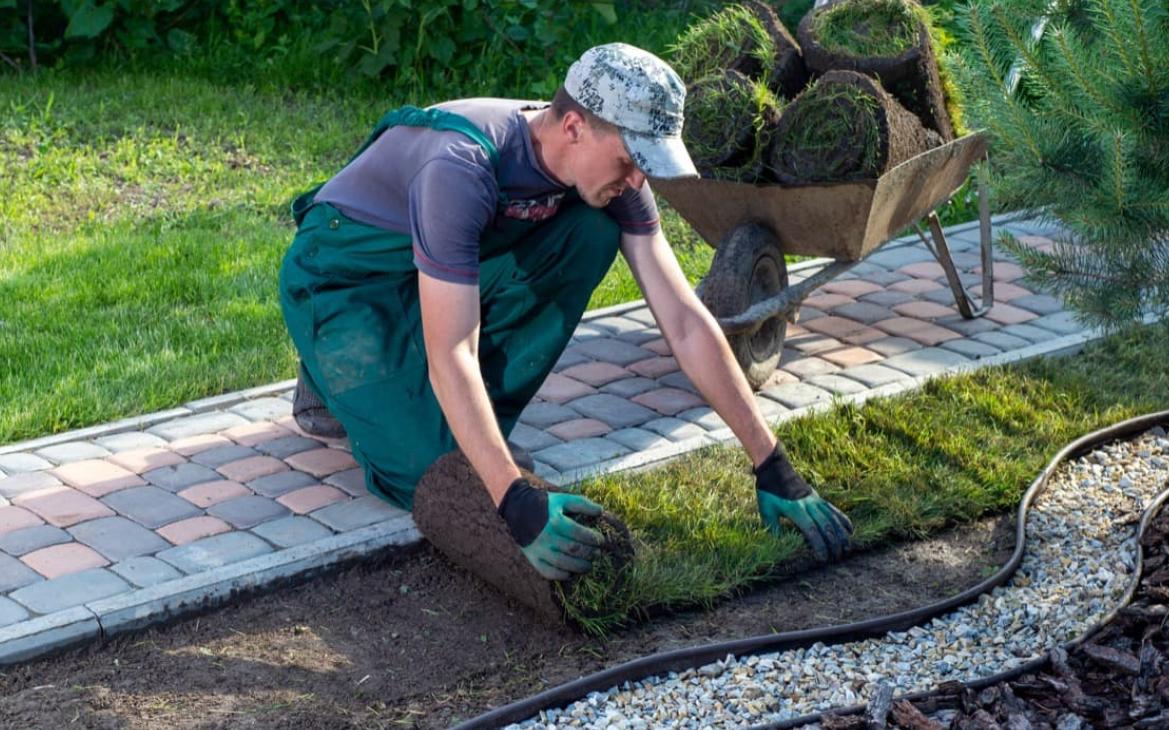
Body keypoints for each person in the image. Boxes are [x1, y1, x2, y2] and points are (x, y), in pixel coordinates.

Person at [279, 43, 853, 580]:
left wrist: (770, 460)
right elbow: (453, 349)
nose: (638, 180)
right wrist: (513, 499)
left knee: (590, 228)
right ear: (575, 126)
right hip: (346, 283)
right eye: (632, 159)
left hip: (430, 275)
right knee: (427, 472)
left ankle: (432, 407)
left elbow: (683, 318)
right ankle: (330, 373)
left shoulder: (613, 175)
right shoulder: (460, 165)